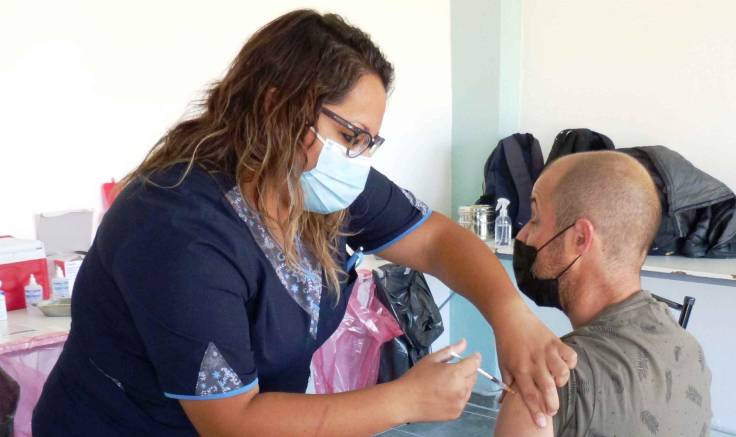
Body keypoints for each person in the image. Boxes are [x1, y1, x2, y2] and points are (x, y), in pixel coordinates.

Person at [33, 10, 576, 436]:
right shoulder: (178, 229)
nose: (358, 159)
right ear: (280, 107)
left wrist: (511, 315)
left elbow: (434, 240)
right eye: (350, 136)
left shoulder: (320, 187)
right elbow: (234, 422)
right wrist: (404, 401)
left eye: (369, 143)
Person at [495, 151, 712, 436]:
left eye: (535, 218)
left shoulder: (544, 388)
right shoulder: (690, 351)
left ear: (580, 238)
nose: (522, 237)